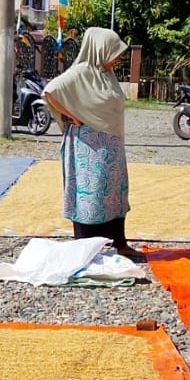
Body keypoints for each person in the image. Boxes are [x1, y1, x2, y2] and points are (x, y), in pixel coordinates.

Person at [42, 27, 145, 263]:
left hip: (111, 144)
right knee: (91, 194)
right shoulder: (81, 72)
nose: (117, 58)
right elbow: (51, 92)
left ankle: (119, 244)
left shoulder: (106, 75)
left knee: (115, 193)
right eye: (114, 53)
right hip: (89, 145)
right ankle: (86, 250)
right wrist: (73, 116)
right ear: (100, 50)